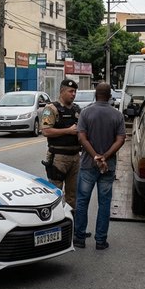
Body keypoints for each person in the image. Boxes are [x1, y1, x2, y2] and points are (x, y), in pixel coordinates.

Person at [74, 82, 126, 250]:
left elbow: (82, 138)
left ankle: (80, 238)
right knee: (104, 203)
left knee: (82, 201)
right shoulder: (117, 115)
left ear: (95, 95)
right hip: (107, 166)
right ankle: (101, 240)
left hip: (89, 164)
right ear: (110, 96)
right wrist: (105, 156)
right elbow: (121, 139)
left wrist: (95, 155)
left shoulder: (86, 112)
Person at [41, 79, 82, 210]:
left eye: (75, 91)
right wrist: (68, 131)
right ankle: (55, 225)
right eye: (71, 91)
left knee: (73, 195)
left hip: (75, 156)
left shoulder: (76, 109)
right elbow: (46, 131)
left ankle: (72, 226)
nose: (73, 94)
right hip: (58, 157)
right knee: (55, 194)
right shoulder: (50, 109)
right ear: (62, 91)